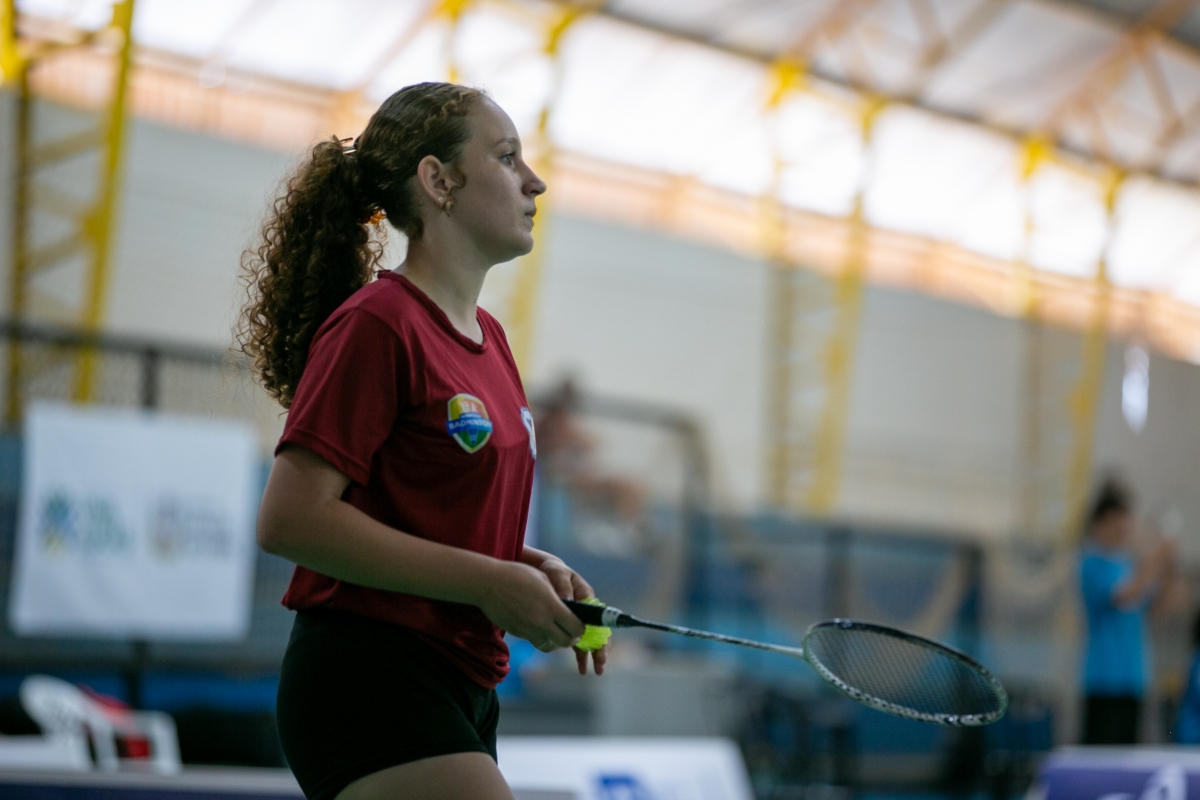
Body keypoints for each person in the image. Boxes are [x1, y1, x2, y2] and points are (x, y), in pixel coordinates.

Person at [237, 82, 607, 800]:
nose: (534, 181)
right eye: (507, 157)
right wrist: (489, 581)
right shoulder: (378, 324)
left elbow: (420, 516)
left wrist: (526, 566)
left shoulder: (491, 340)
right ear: (438, 181)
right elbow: (290, 520)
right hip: (371, 673)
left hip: (465, 681)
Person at [1078, 478, 1174, 745]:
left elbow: (1157, 609)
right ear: (1101, 523)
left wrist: (1168, 565)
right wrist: (1154, 558)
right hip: (1104, 680)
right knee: (1099, 757)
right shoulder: (1091, 563)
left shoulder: (1128, 566)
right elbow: (1124, 596)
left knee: (1126, 756)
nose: (1123, 527)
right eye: (1116, 520)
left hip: (1134, 679)